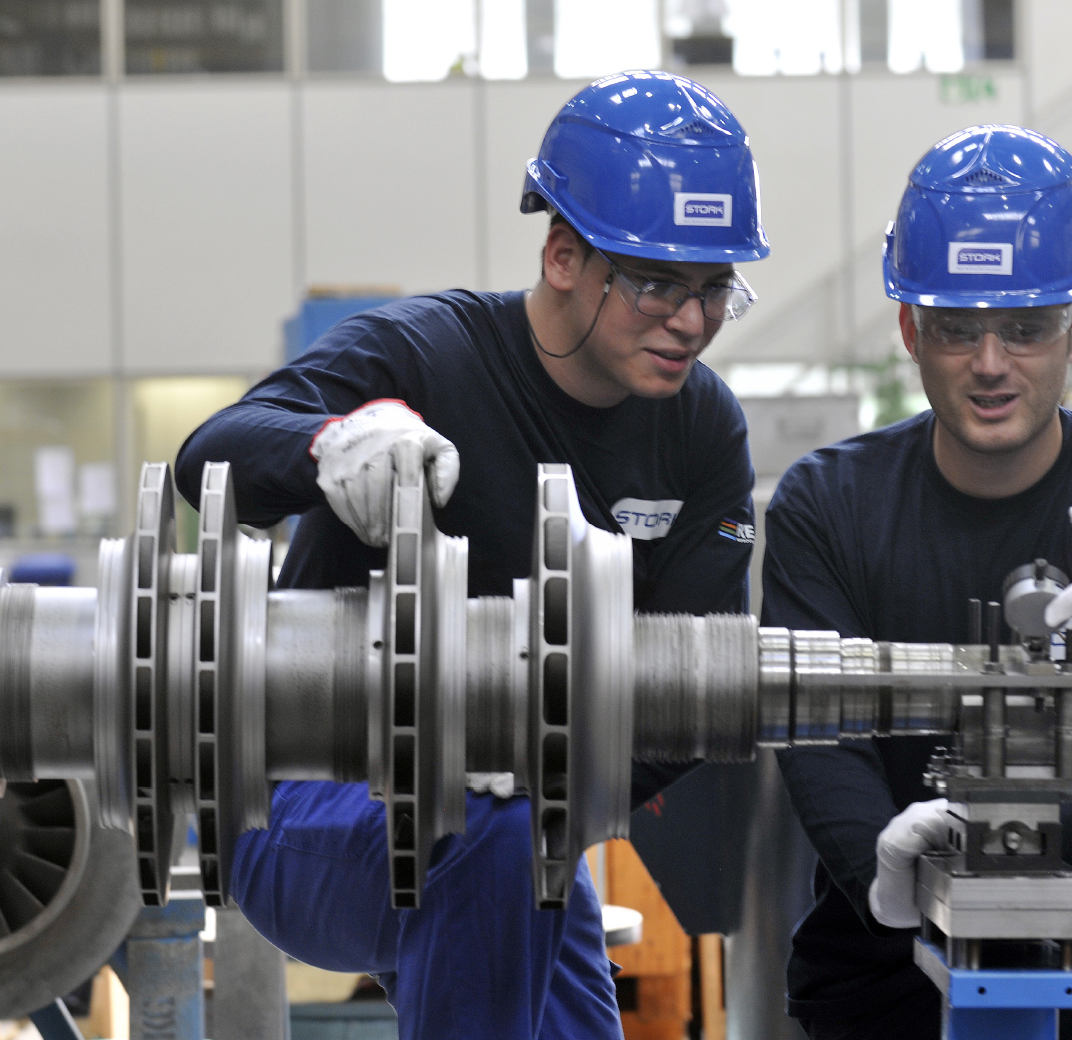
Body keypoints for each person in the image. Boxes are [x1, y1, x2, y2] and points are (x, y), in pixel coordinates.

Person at [175, 71, 769, 1040]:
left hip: (528, 820)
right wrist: (327, 444)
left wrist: (565, 777)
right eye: (656, 283)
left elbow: (696, 678)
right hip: (308, 804)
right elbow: (212, 455)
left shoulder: (700, 428)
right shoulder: (426, 352)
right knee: (490, 830)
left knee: (511, 854)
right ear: (564, 254)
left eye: (714, 290)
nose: (690, 322)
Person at [762, 125, 1072, 1040]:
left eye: (1025, 329)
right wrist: (885, 859)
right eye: (957, 329)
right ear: (911, 330)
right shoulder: (827, 506)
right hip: (880, 928)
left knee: (1066, 827)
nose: (991, 364)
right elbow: (809, 727)